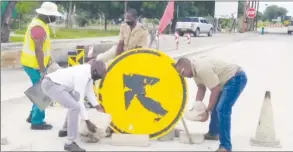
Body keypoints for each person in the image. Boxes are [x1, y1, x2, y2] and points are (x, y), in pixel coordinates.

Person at [174, 57, 247, 152]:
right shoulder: (195, 72)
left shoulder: (201, 69)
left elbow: (215, 89)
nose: (183, 76)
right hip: (225, 81)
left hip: (236, 78)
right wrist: (197, 107)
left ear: (186, 67)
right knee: (216, 106)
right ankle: (213, 133)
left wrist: (207, 111)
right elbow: (201, 89)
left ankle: (226, 146)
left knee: (222, 109)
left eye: (182, 72)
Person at [41, 60, 106, 152]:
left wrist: (97, 106)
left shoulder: (89, 73)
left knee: (72, 103)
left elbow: (89, 92)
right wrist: (87, 121)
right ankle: (70, 143)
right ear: (94, 71)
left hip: (60, 85)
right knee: (75, 106)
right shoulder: (82, 74)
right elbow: (79, 100)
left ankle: (64, 130)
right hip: (52, 84)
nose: (97, 78)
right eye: (98, 76)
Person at [20, 1, 62, 130]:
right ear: (46, 15)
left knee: (39, 90)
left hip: (34, 64)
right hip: (33, 65)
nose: (55, 18)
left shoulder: (41, 24)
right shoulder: (38, 28)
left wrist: (48, 61)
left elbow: (44, 48)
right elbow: (38, 50)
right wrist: (43, 70)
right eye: (53, 16)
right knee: (42, 92)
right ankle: (37, 122)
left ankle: (32, 116)